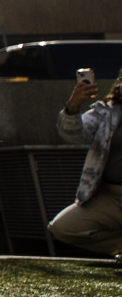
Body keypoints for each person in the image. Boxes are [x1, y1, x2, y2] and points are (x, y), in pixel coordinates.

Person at [48, 71, 122, 257]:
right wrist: (73, 107)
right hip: (110, 196)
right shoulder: (107, 112)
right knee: (63, 227)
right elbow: (73, 135)